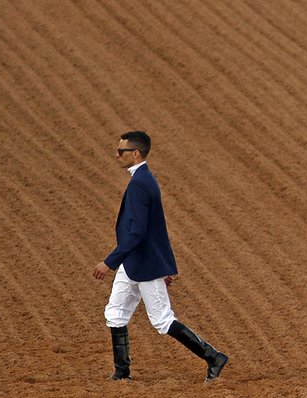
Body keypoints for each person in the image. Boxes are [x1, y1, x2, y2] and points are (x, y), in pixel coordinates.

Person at [93, 131, 229, 382]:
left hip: (142, 264)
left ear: (135, 153)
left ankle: (213, 356)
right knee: (115, 312)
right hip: (135, 262)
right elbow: (157, 229)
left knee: (162, 320)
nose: (116, 155)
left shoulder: (140, 184)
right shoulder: (143, 180)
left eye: (120, 151)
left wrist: (109, 262)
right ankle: (122, 372)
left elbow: (138, 232)